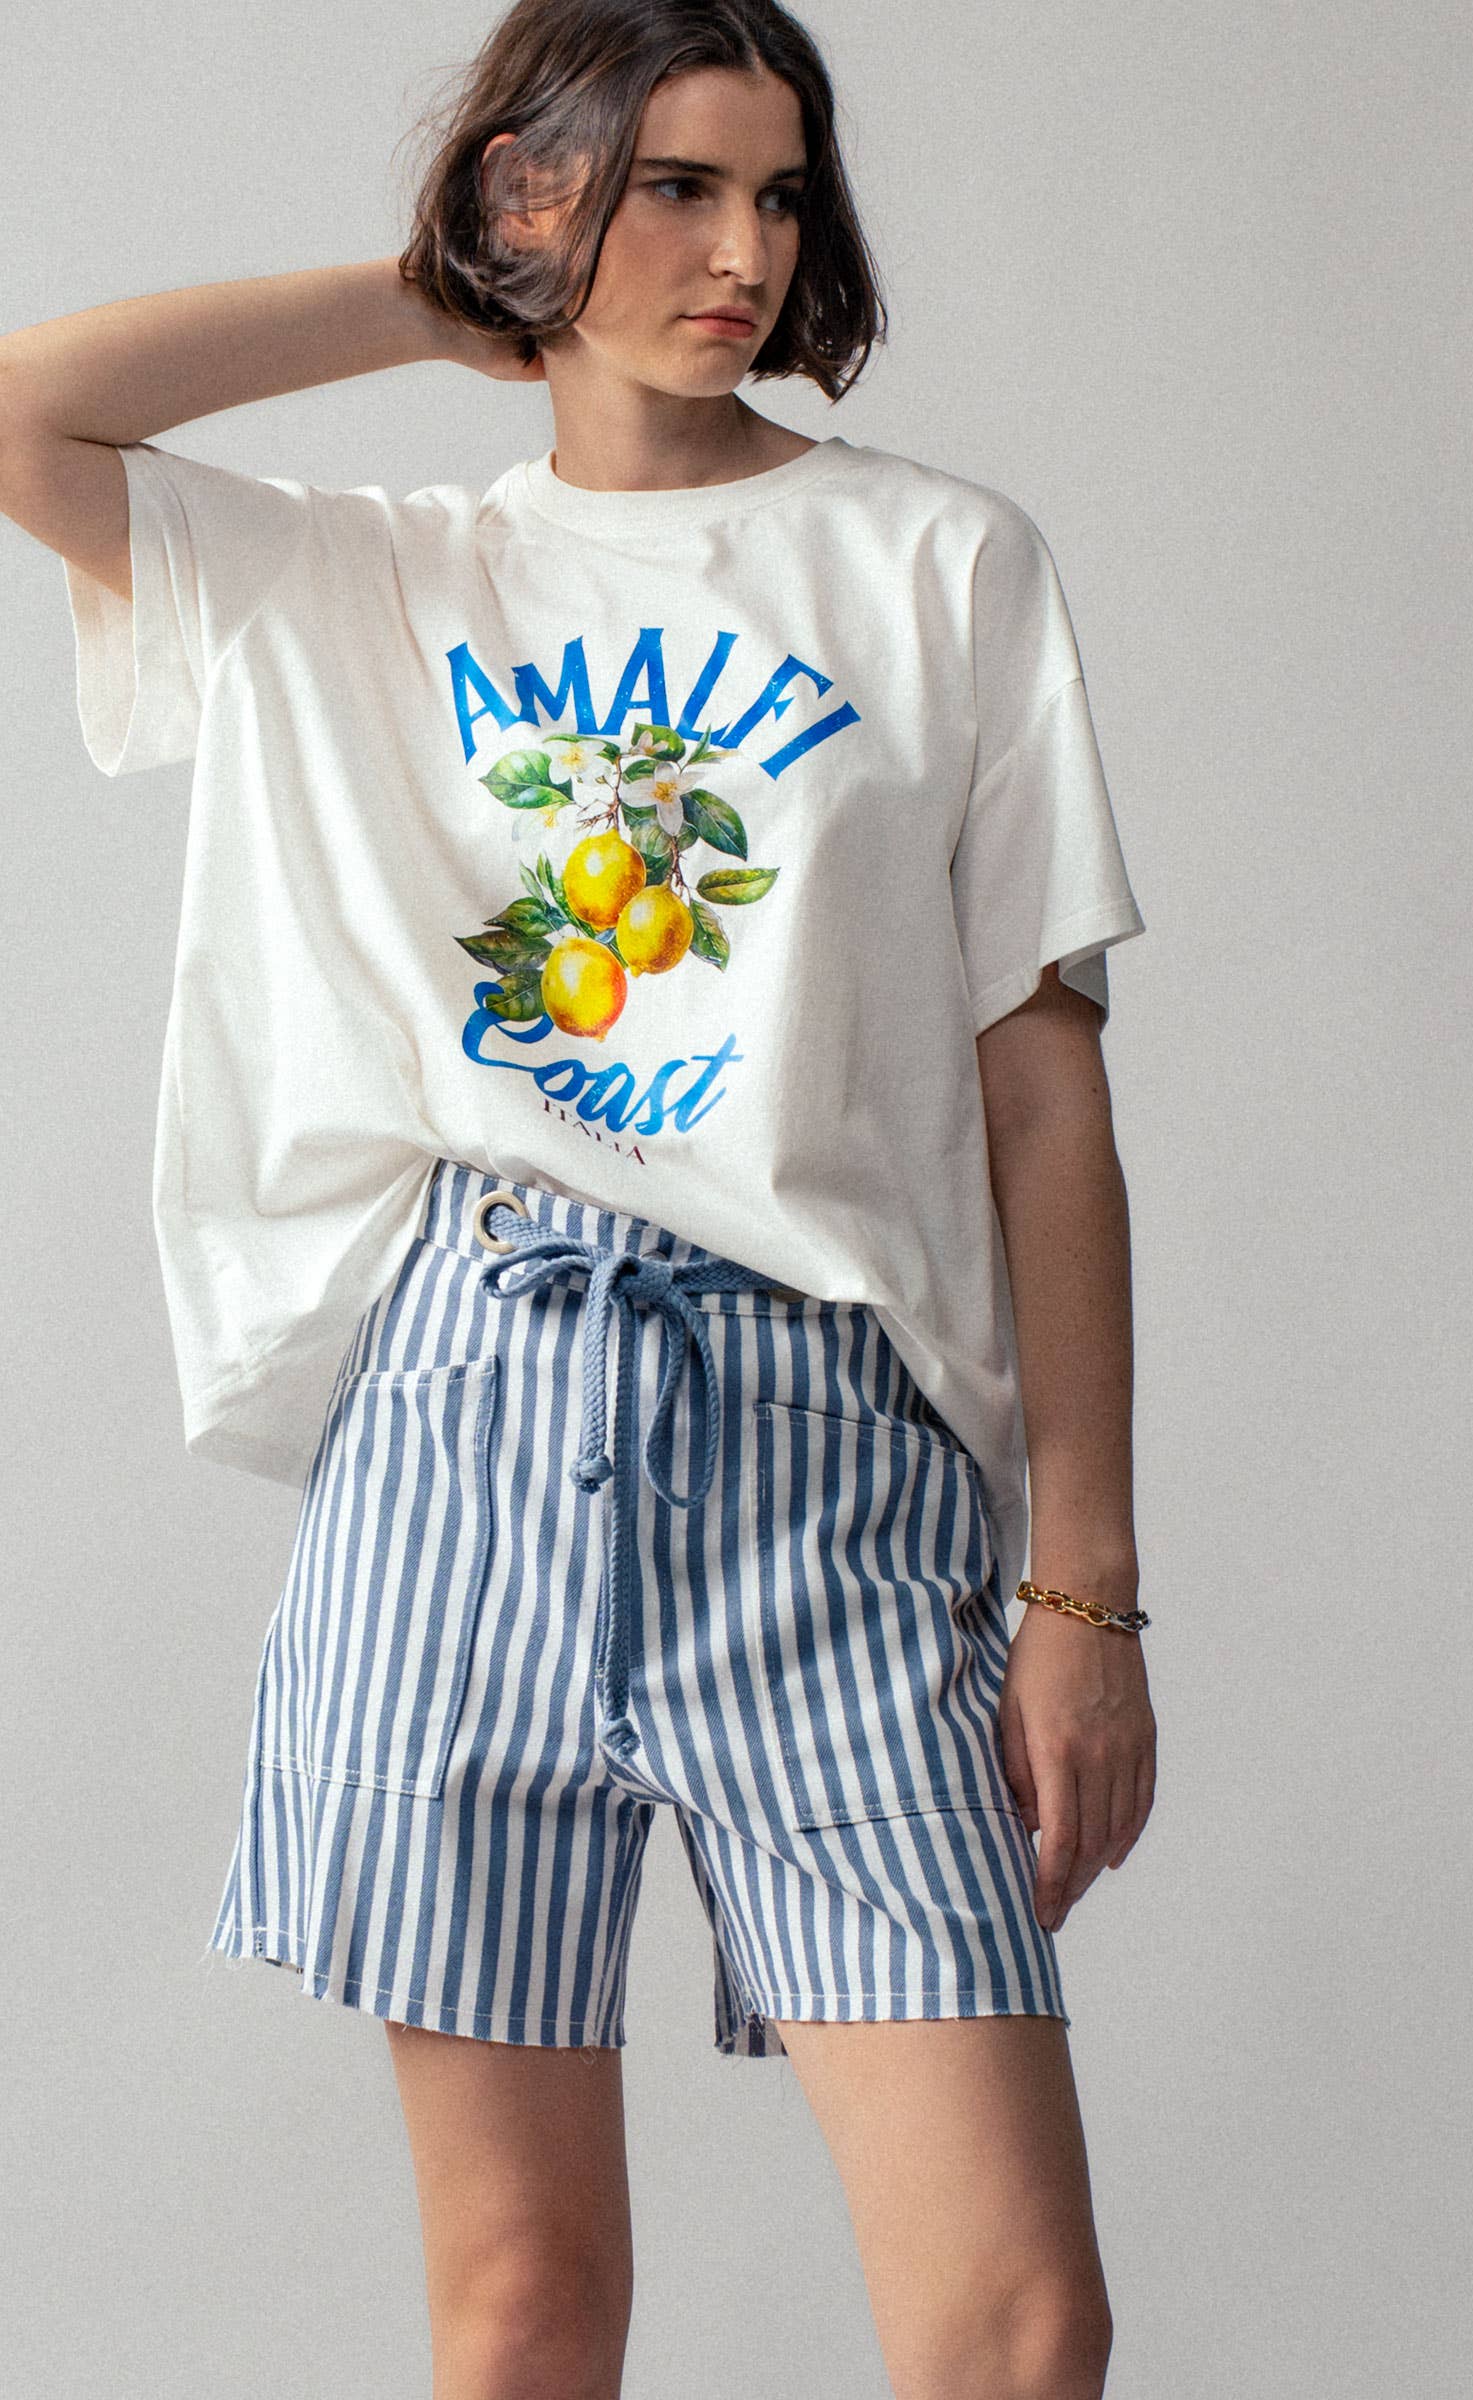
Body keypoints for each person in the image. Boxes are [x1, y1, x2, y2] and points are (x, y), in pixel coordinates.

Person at [0, 1, 1158, 2392]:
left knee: (1014, 2319)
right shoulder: (359, 578)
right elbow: (26, 405)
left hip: (822, 1465)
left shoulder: (932, 562)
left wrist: (1081, 1590)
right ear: (532, 191)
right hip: (464, 1434)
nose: (743, 255)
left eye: (778, 193)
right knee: (523, 2300)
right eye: (672, 189)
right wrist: (452, 292)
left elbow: (1042, 1100)